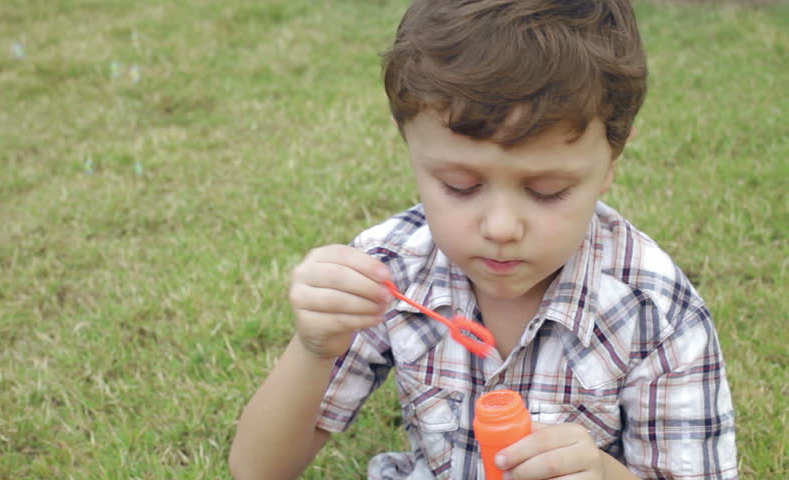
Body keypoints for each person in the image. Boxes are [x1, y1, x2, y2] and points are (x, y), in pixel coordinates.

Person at [229, 0, 739, 478]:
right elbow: (258, 470)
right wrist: (315, 349)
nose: (500, 227)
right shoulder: (392, 270)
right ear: (407, 140)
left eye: (547, 191)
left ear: (612, 158)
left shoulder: (657, 313)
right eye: (460, 186)